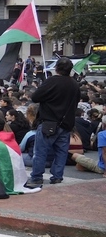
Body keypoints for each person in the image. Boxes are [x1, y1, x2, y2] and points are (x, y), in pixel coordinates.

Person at [27, 56, 82, 188]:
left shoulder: (52, 81)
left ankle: (37, 177)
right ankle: (57, 176)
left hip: (49, 122)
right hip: (66, 123)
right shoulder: (74, 84)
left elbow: (35, 97)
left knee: (40, 152)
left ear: (56, 68)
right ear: (70, 70)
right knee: (61, 152)